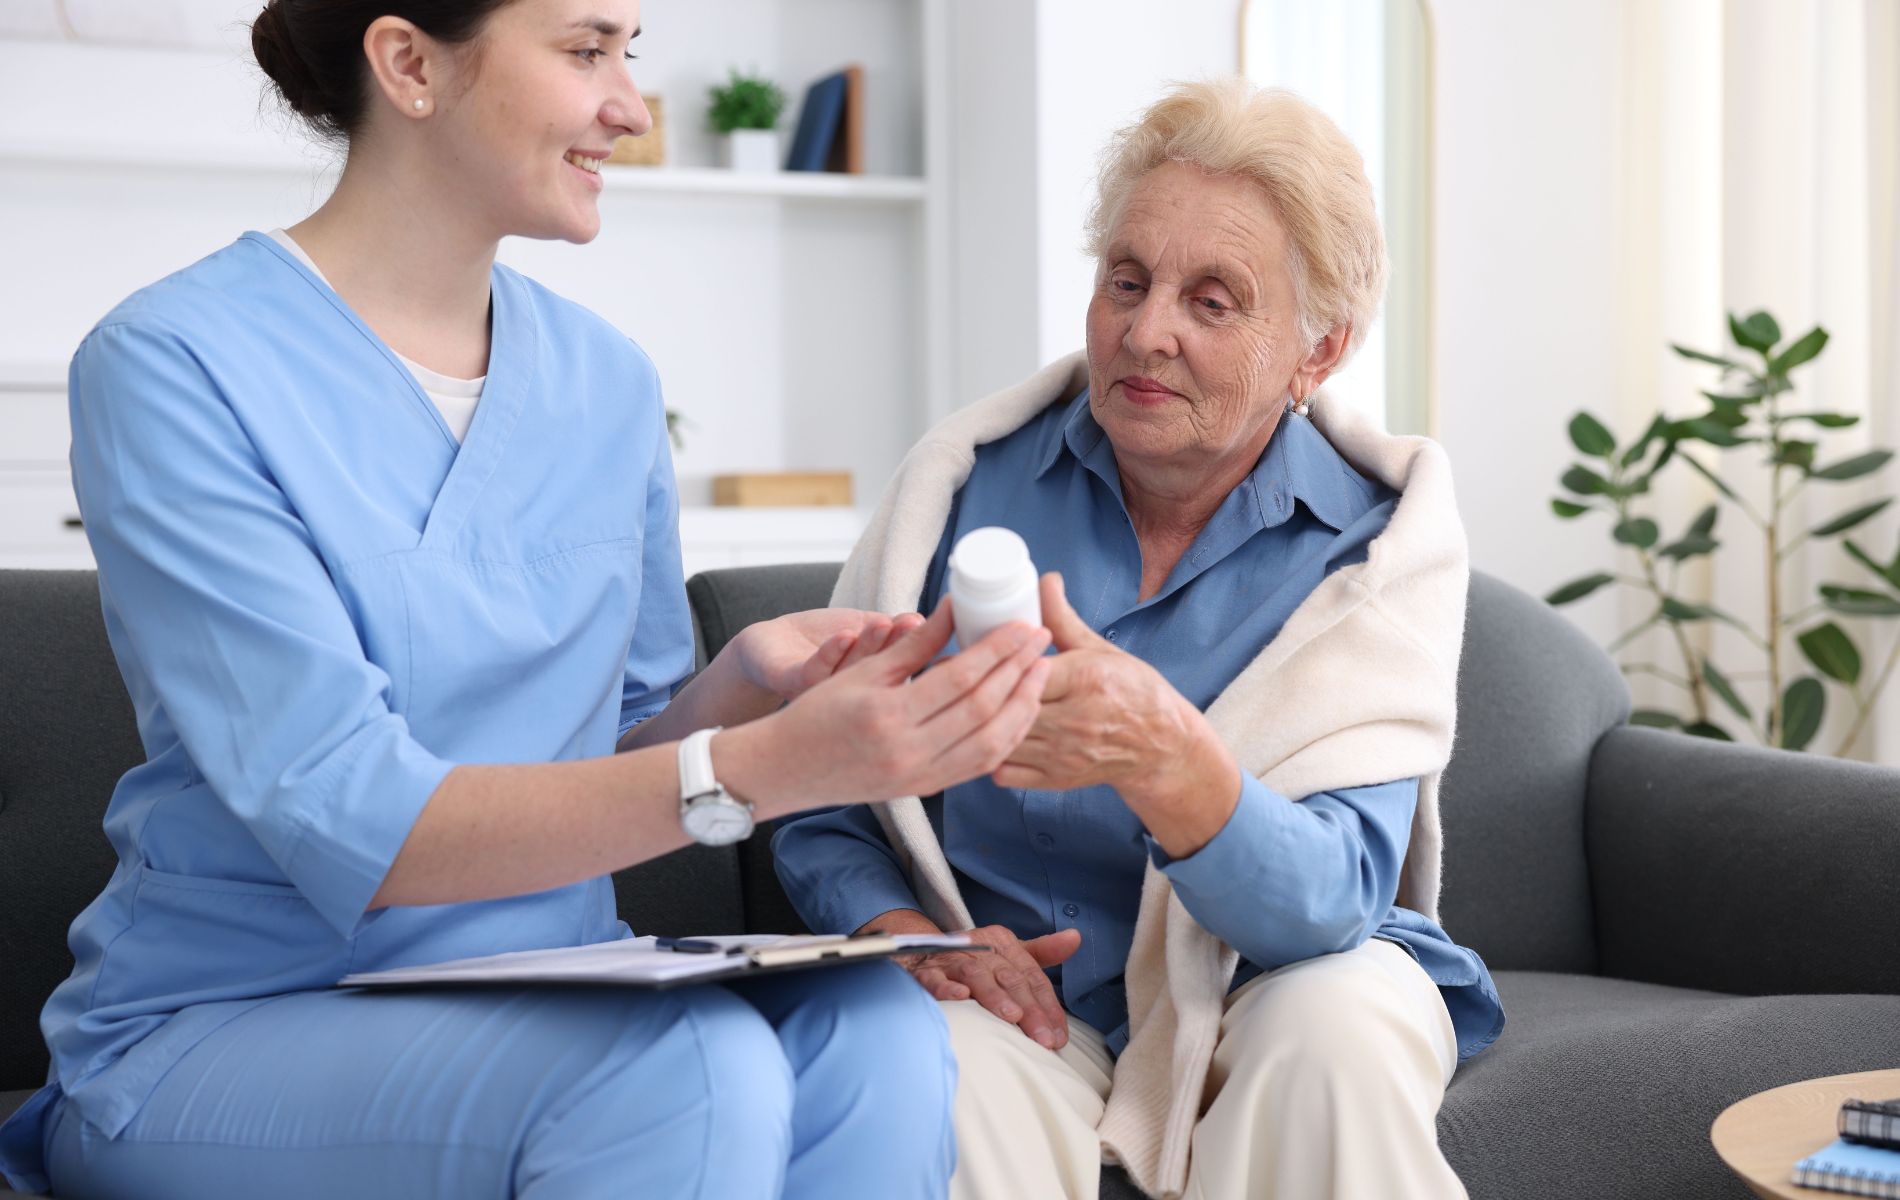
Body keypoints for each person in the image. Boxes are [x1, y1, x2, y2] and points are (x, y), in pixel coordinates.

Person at [0, 2, 1057, 1198]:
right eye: (585, 50)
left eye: (629, 54)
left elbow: (608, 749)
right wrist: (762, 769)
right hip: (236, 1021)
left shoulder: (606, 381)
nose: (630, 106)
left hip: (550, 980)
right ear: (409, 64)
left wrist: (741, 697)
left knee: (877, 1036)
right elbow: (352, 816)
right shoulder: (174, 364)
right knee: (682, 1072)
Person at [772, 79, 1505, 1200]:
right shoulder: (963, 492)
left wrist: (1167, 759)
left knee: (1335, 1038)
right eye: (1126, 281)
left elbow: (1331, 901)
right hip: (1016, 987)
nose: (1145, 330)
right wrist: (913, 932)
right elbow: (820, 799)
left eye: (1213, 302)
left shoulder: (1376, 545)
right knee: (933, 1062)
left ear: (1317, 352)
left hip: (1281, 979)